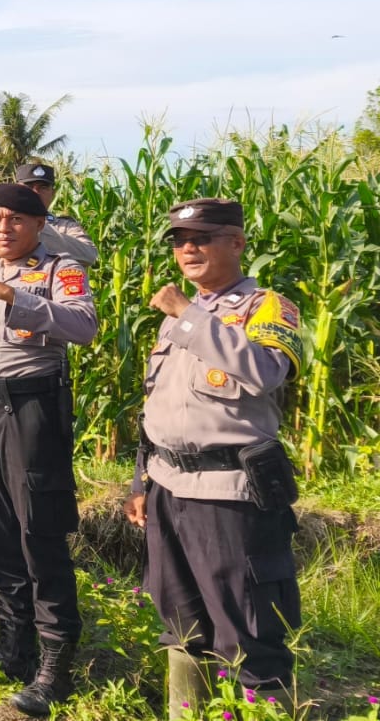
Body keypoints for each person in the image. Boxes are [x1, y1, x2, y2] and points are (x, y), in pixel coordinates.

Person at [123, 198, 303, 717]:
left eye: (202, 238)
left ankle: (266, 709)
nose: (188, 249)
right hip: (168, 489)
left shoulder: (265, 307)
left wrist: (189, 315)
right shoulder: (180, 318)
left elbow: (267, 373)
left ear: (237, 243)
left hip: (229, 495)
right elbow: (158, 405)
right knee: (181, 627)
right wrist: (141, 482)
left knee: (250, 631)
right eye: (180, 241)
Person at [0, 183, 98, 717]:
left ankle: (55, 667)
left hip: (30, 412)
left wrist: (14, 297)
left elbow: (85, 326)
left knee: (39, 532)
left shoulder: (59, 271)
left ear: (37, 225)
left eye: (14, 220)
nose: (2, 229)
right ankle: (13, 649)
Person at [0, 163, 98, 350]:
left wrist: (34, 224)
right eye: (29, 188)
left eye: (43, 187)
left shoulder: (66, 227)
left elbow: (89, 255)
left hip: (49, 331)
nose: (36, 192)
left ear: (53, 192)